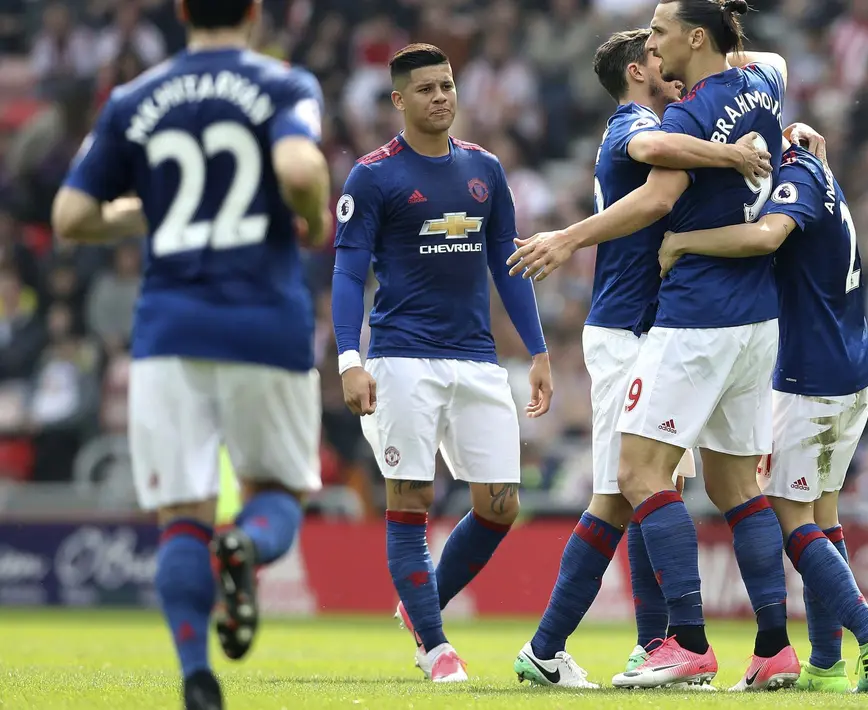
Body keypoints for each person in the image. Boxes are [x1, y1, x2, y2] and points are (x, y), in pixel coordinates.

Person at [508, 0, 796, 691]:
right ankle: (750, 648)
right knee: (681, 488)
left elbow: (662, 188)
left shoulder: (688, 108)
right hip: (703, 323)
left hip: (685, 323)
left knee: (639, 482)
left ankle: (671, 642)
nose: (659, 47)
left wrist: (566, 236)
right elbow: (658, 146)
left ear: (693, 41)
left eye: (664, 32)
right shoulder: (684, 107)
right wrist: (740, 141)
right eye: (651, 42)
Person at [51, 0, 332, 707]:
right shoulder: (283, 83)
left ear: (180, 11)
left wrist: (156, 208)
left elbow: (70, 217)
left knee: (182, 512)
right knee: (276, 493)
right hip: (263, 323)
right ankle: (248, 547)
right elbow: (300, 171)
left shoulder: (132, 97)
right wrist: (311, 215)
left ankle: (194, 675)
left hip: (168, 330)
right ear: (256, 11)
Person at [331, 43, 552, 684]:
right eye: (425, 89)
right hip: (402, 359)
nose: (441, 97)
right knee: (411, 497)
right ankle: (435, 646)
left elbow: (506, 268)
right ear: (399, 100)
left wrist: (537, 351)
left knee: (501, 505)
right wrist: (351, 357)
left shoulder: (485, 169)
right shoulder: (373, 176)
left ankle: (418, 605)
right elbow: (348, 273)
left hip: (478, 360)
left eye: (448, 85)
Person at [659, 138, 868, 693]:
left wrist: (684, 241)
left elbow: (769, 235)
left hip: (810, 378)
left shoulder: (795, 174)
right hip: (850, 370)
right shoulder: (814, 164)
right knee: (820, 514)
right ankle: (825, 663)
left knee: (790, 517)